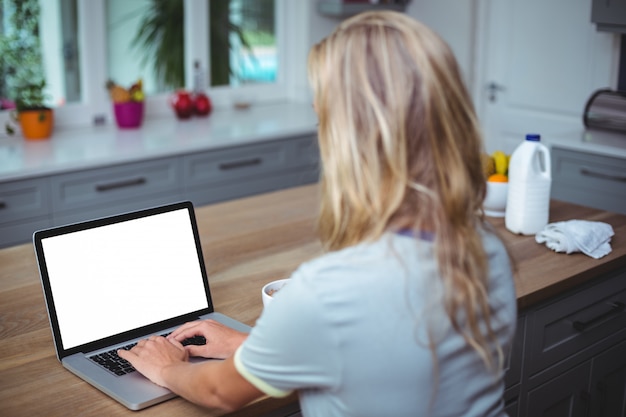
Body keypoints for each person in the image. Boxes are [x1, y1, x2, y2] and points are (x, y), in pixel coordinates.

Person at [119, 10, 517, 417]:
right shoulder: (485, 249)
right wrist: (250, 346)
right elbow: (376, 360)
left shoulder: (330, 293)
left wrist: (167, 368)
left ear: (351, 141)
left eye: (322, 117)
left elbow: (220, 393)